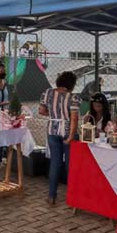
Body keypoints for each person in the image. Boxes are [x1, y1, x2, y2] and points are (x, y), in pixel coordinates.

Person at [39, 71, 80, 206]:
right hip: (67, 131)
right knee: (70, 165)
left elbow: (41, 111)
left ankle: (51, 196)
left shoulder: (48, 93)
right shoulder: (73, 97)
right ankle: (72, 196)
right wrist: (70, 136)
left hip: (52, 129)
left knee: (55, 163)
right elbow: (74, 118)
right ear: (71, 84)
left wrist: (54, 115)